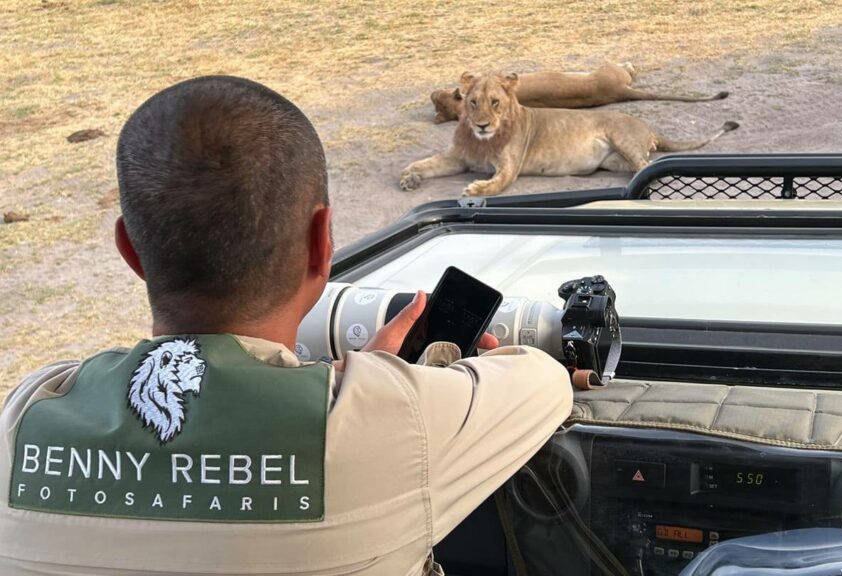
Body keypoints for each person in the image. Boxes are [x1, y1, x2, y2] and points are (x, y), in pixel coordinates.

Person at [0, 76, 573, 576]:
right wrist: (374, 384)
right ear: (322, 243)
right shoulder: (399, 422)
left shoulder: (25, 417)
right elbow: (545, 380)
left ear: (132, 252)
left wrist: (362, 387)